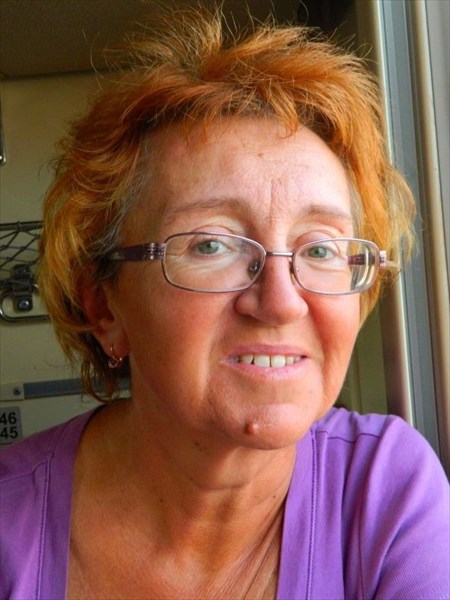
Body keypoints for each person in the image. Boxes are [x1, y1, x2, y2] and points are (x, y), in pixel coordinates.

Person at [1, 7, 448, 600]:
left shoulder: (384, 489)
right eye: (211, 244)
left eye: (321, 248)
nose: (281, 303)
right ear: (104, 307)